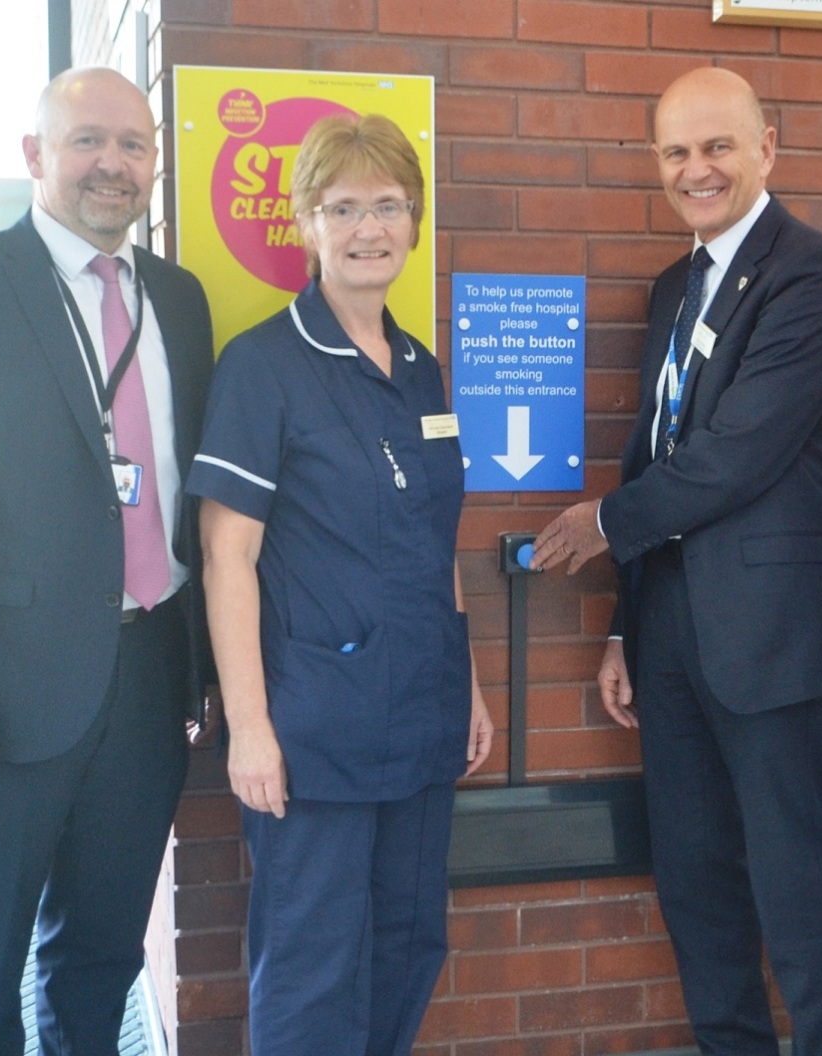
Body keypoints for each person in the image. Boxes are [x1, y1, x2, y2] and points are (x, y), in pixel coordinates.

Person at [531, 67, 822, 1056]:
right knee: (692, 878)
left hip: (773, 639)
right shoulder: (671, 287)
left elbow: (739, 451)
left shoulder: (811, 274)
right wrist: (620, 625)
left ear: (766, 146)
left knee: (791, 877)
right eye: (677, 152)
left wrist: (604, 520)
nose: (698, 169)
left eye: (717, 146)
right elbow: (653, 450)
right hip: (669, 633)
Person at [0, 67, 215, 1055]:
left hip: (149, 675)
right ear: (34, 155)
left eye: (133, 145)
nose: (112, 163)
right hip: (2, 689)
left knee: (101, 952)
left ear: (155, 163)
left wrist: (198, 669)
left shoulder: (178, 300)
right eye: (86, 141)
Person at [189, 112, 493, 1056]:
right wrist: (251, 731)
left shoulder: (421, 370)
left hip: (424, 711)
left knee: (409, 945)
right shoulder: (262, 369)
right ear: (306, 224)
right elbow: (226, 557)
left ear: (414, 222)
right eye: (345, 207)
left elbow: (433, 537)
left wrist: (470, 683)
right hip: (315, 731)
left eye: (390, 207)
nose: (371, 228)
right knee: (315, 965)